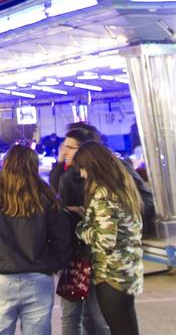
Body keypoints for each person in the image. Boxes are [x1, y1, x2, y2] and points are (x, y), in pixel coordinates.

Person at [0, 144, 70, 335]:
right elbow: (62, 238)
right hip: (38, 276)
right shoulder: (46, 197)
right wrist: (55, 264)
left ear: (5, 164)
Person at [74, 141, 144, 335]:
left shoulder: (103, 193)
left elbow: (105, 240)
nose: (82, 175)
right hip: (128, 271)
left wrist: (82, 228)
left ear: (93, 165)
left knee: (120, 327)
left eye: (83, 168)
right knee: (127, 327)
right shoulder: (123, 187)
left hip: (111, 275)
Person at [49, 128, 110, 335]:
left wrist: (83, 216)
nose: (64, 151)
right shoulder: (67, 175)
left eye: (69, 147)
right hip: (74, 253)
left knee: (94, 315)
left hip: (90, 255)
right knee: (75, 314)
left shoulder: (100, 181)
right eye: (63, 146)